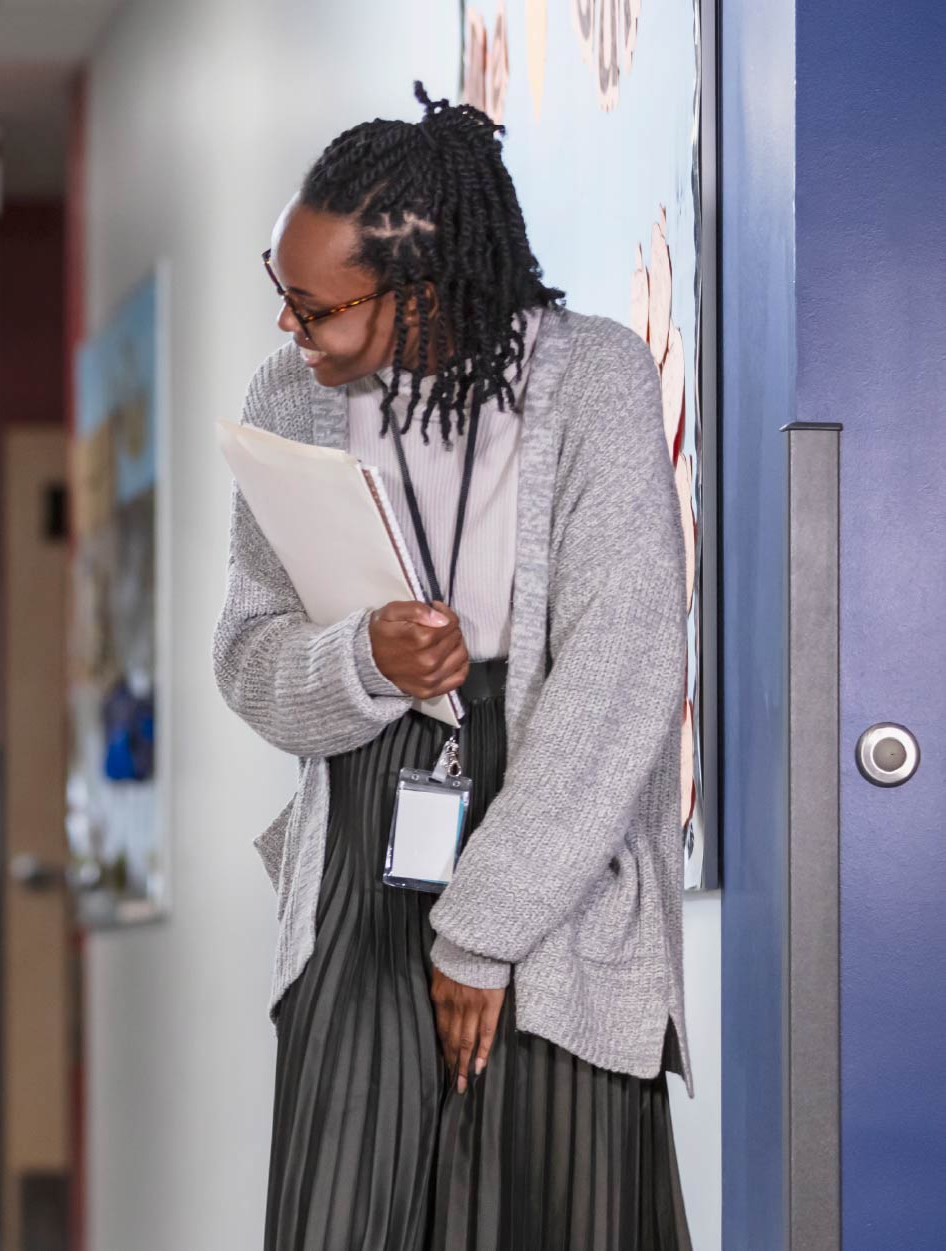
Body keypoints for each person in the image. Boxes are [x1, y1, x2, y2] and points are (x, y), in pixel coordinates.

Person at [215, 87, 691, 1249]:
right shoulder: (289, 399)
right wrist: (360, 657)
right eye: (282, 297)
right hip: (357, 867)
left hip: (552, 865)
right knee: (342, 1213)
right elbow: (244, 656)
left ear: (420, 296)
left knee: (544, 1205)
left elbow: (618, 676)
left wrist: (483, 935)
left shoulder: (591, 381)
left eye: (315, 307)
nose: (289, 330)